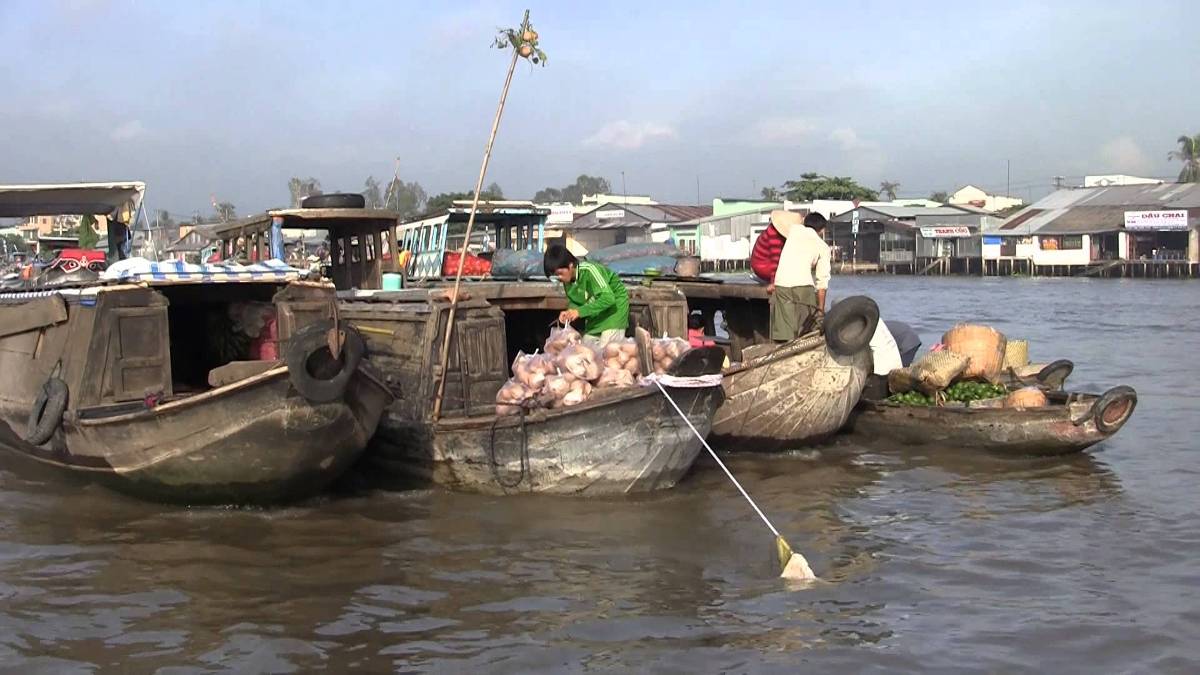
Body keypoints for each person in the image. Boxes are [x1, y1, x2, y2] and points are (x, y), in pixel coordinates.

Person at [544, 243, 630, 347]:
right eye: (555, 276)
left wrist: (579, 312)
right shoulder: (567, 282)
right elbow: (575, 302)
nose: (559, 278)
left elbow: (608, 298)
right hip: (596, 316)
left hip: (614, 312)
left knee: (607, 352)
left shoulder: (589, 270)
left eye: (560, 273)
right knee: (586, 348)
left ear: (570, 266)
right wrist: (570, 312)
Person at [768, 210, 831, 342]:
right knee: (806, 332)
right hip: (803, 285)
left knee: (785, 332)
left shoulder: (793, 231)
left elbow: (781, 217)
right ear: (821, 230)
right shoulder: (823, 246)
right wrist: (820, 310)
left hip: (782, 283)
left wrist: (800, 218)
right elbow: (822, 283)